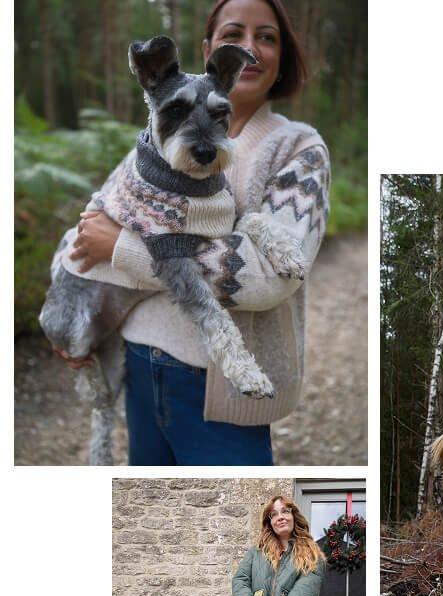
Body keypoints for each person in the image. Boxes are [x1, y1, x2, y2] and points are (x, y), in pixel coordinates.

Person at [57, 0, 330, 465]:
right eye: (233, 34)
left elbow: (270, 278)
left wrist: (124, 250)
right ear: (209, 51)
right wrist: (68, 318)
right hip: (139, 361)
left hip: (219, 390)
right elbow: (91, 226)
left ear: (281, 55)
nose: (251, 47)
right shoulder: (152, 149)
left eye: (266, 37)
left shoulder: (300, 148)